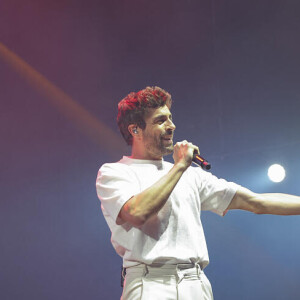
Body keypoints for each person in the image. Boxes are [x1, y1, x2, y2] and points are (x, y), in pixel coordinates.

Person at [96, 86, 300, 300]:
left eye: (170, 118)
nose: (171, 126)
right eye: (160, 120)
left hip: (195, 283)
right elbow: (137, 212)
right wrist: (180, 166)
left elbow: (257, 202)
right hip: (149, 284)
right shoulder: (114, 172)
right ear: (135, 130)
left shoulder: (191, 175)